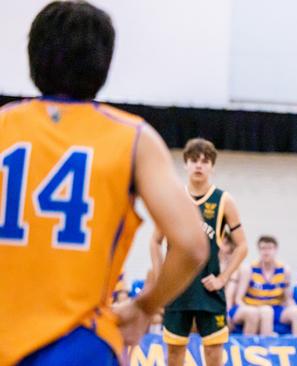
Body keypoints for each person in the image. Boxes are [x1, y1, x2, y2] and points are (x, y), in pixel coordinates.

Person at [0, 2, 209, 365]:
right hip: (79, 342)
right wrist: (146, 305)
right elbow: (191, 244)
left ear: (33, 56)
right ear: (103, 64)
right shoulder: (133, 138)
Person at [150, 138, 248, 366]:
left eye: (204, 161)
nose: (199, 165)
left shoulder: (224, 200)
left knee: (213, 354)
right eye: (194, 160)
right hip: (177, 289)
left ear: (212, 166)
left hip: (208, 289)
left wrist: (223, 278)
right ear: (186, 164)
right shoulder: (173, 197)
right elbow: (155, 241)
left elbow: (243, 246)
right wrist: (160, 276)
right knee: (174, 353)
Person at [230, 235, 297, 336]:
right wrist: (251, 311)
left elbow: (288, 299)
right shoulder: (249, 270)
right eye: (263, 248)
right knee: (266, 311)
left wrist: (294, 306)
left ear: (275, 250)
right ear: (259, 251)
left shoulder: (284, 270)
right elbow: (238, 299)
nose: (266, 252)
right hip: (253, 306)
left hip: (275, 308)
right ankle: (266, 346)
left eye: (269, 248)